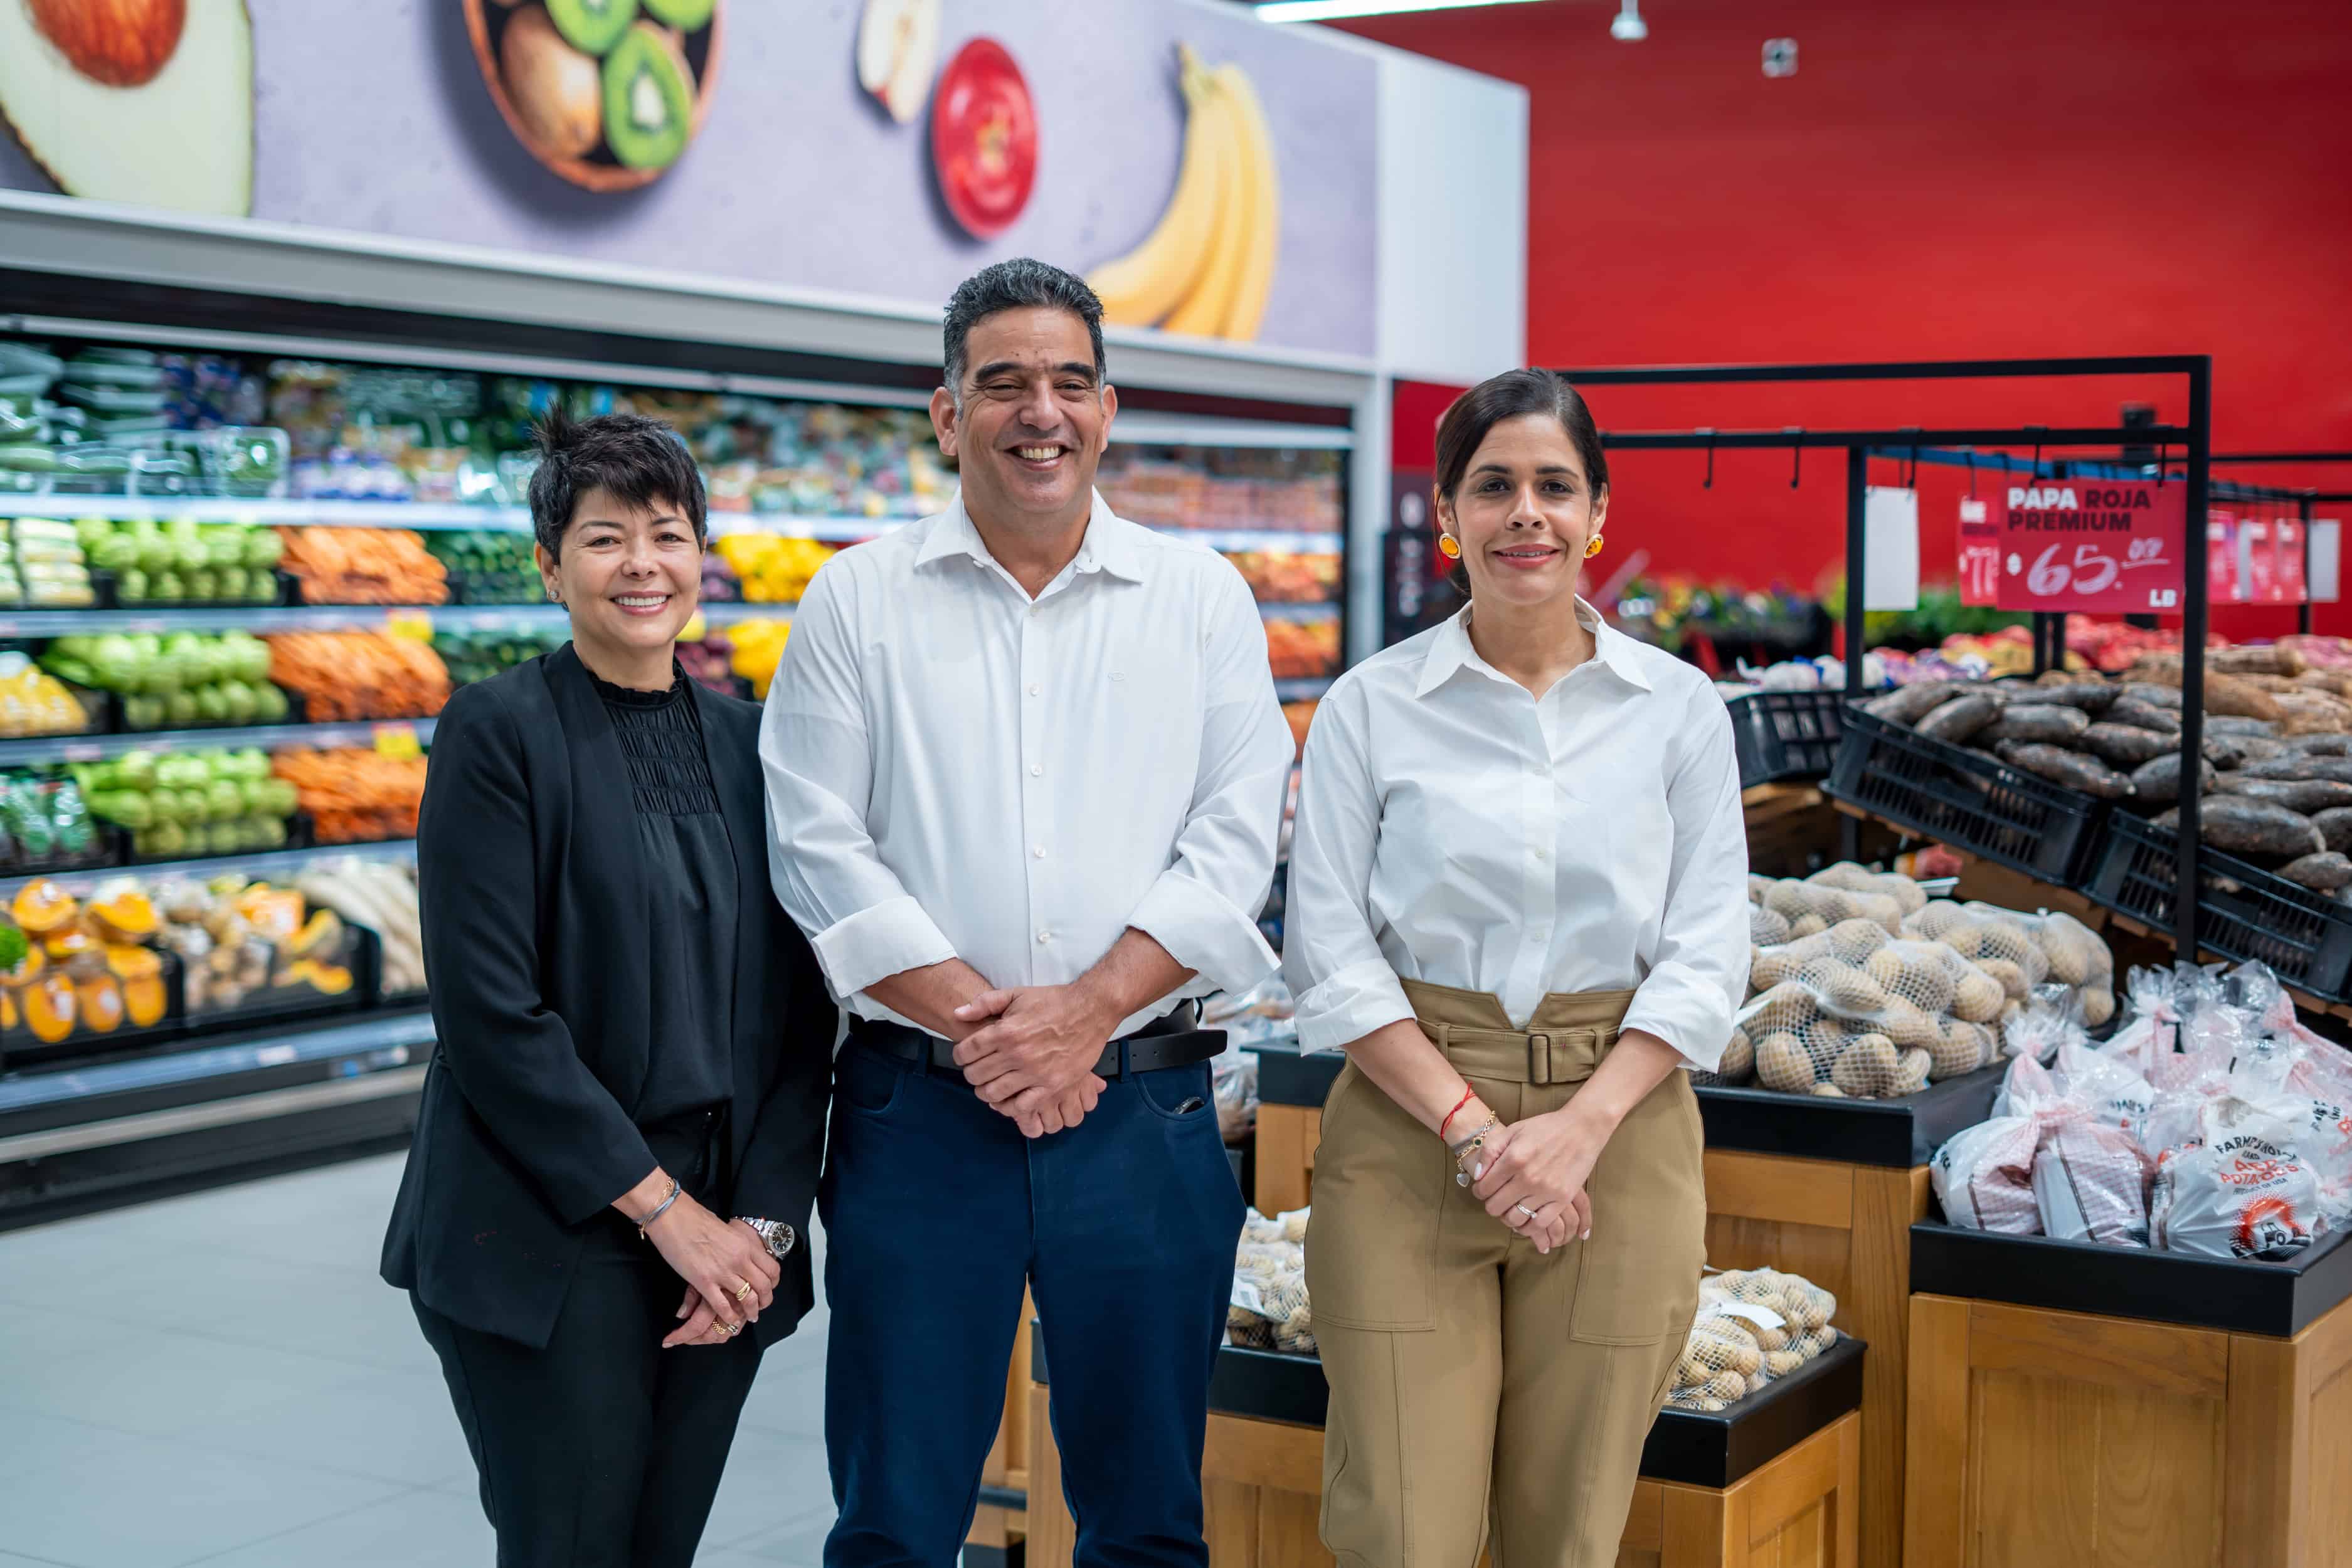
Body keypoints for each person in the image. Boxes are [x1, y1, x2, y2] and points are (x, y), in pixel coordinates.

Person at [762, 257, 1294, 1568]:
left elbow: (1236, 839)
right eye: (1001, 383)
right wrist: (999, 1031)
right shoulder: (856, 601)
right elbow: (816, 842)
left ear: (1107, 409)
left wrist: (1085, 1016)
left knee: (1148, 1516)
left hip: (1146, 1115)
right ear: (948, 414)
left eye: (1067, 383)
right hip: (918, 1112)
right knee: (895, 1512)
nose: (1037, 412)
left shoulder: (1200, 601)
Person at [1284, 369, 1749, 1568]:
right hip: (1408, 1128)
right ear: (1449, 514)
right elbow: (1330, 954)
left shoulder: (1677, 710)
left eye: (1554, 485)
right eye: (1492, 487)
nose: (1524, 513)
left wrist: (1580, 1129)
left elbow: (1705, 954)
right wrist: (1479, 1135)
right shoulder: (1370, 707)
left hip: (1623, 1130)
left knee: (1571, 1524)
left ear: (1598, 510)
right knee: (1399, 1525)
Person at [382, 410, 834, 1568]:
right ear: (550, 564)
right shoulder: (495, 734)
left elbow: (803, 1015)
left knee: (659, 1547)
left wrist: (762, 1229)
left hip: (728, 1233)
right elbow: (493, 1020)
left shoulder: (754, 745)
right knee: (572, 1544)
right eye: (603, 538)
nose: (642, 564)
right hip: (554, 1226)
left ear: (701, 557)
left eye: (668, 533)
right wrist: (665, 1216)